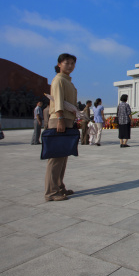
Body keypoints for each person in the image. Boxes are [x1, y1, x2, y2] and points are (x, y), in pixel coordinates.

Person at [44, 53, 78, 201]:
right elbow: (57, 102)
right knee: (56, 158)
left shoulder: (68, 81)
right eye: (67, 63)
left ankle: (59, 186)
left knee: (63, 156)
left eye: (72, 63)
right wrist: (60, 119)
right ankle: (51, 192)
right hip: (60, 120)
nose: (70, 66)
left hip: (66, 120)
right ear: (59, 64)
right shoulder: (58, 80)